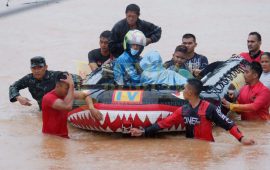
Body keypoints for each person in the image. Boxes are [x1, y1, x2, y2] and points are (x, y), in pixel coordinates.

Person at [130, 79, 254, 145]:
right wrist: (143, 131)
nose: (182, 91)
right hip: (190, 146)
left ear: (190, 92)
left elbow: (228, 124)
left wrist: (242, 139)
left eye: (184, 89)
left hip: (206, 146)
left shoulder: (209, 108)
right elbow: (164, 124)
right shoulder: (183, 110)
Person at [42, 72, 102, 138]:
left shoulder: (66, 94)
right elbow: (67, 106)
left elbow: (86, 95)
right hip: (50, 138)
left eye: (70, 88)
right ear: (58, 85)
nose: (70, 91)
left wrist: (91, 108)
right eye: (67, 88)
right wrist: (71, 85)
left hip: (64, 137)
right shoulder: (48, 98)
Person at [9, 56, 81, 110]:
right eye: (34, 68)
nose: (37, 71)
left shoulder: (56, 76)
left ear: (46, 67)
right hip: (43, 111)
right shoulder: (29, 79)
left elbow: (77, 79)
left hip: (60, 108)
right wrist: (18, 97)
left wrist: (71, 91)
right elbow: (13, 86)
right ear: (31, 69)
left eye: (39, 67)